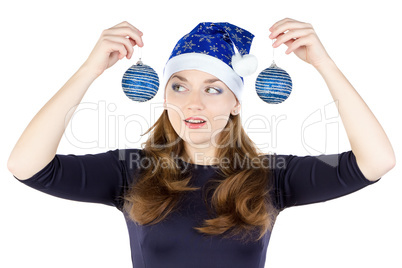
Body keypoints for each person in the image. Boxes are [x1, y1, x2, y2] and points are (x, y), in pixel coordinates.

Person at [7, 18, 395, 268]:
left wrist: (324, 63)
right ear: (164, 95)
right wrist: (90, 69)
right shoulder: (131, 171)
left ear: (236, 102)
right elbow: (26, 166)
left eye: (213, 89)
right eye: (179, 86)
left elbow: (377, 161)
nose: (193, 103)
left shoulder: (269, 177)